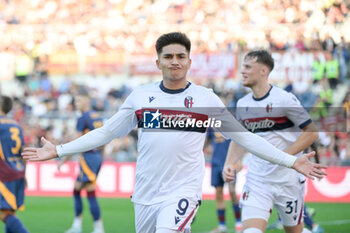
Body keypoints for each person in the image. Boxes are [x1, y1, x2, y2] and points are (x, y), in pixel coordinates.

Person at [22, 32, 327, 233]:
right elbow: (106, 134)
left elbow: (244, 137)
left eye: (181, 56)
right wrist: (60, 150)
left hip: (182, 192)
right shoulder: (140, 97)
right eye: (168, 57)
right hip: (144, 195)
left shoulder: (206, 100)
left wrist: (291, 161)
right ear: (158, 62)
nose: (175, 62)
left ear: (189, 61)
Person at [222, 50, 323, 233]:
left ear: (263, 71)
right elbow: (240, 139)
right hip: (257, 180)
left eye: (247, 67)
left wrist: (282, 157)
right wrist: (230, 163)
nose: (242, 71)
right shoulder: (243, 103)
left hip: (288, 180)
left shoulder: (284, 99)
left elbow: (311, 132)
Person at [58, 92, 105, 233]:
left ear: (85, 102)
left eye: (78, 101)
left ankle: (98, 228)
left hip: (89, 157)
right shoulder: (97, 117)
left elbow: (76, 143)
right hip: (96, 157)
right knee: (77, 189)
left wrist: (63, 160)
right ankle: (77, 225)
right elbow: (104, 140)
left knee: (90, 192)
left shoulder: (83, 118)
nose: (76, 104)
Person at [0, 95, 29, 233]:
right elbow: (23, 152)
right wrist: (25, 175)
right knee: (10, 213)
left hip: (3, 174)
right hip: (17, 171)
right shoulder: (16, 125)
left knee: (4, 214)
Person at [207, 129, 242, 233]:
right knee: (218, 193)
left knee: (232, 191)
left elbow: (239, 140)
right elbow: (207, 141)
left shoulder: (228, 119)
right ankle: (222, 226)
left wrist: (239, 159)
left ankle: (239, 223)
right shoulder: (210, 124)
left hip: (230, 162)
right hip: (215, 162)